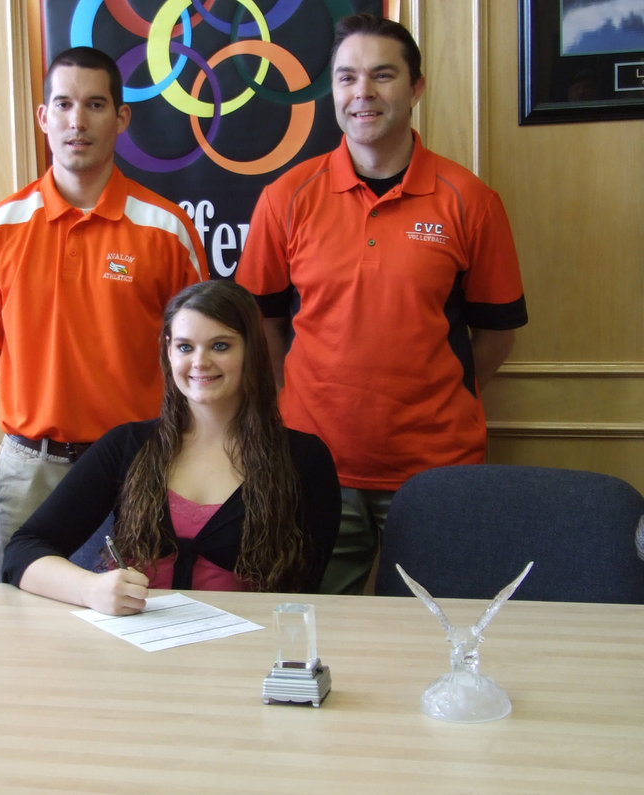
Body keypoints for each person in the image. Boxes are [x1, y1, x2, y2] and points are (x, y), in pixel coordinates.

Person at [235, 14, 528, 595]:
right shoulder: (286, 197)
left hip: (436, 468)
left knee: (436, 630)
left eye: (382, 75)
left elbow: (495, 333)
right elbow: (260, 320)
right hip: (315, 461)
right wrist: (292, 397)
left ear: (416, 88)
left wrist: (439, 396)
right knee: (319, 625)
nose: (361, 93)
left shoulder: (470, 200)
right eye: (346, 78)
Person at [0, 47, 208, 579]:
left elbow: (196, 356)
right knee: (21, 620)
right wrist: (42, 412)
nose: (78, 120)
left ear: (121, 118)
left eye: (95, 105)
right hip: (29, 468)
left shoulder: (166, 230)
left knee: (141, 612)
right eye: (64, 104)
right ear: (43, 117)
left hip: (138, 464)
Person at [2, 280, 341, 614]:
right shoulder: (127, 445)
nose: (200, 362)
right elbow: (23, 551)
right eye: (185, 347)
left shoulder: (304, 460)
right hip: (132, 648)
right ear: (168, 350)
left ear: (251, 350)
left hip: (243, 653)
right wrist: (90, 589)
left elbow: (305, 591)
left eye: (220, 346)